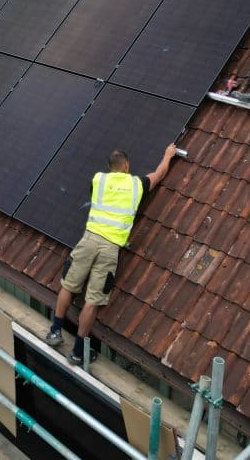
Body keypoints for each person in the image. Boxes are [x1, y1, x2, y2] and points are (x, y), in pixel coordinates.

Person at [46, 143, 179, 365]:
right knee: (93, 300)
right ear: (126, 166)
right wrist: (167, 155)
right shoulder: (137, 184)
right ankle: (78, 352)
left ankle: (55, 332)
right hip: (110, 248)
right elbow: (159, 174)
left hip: (88, 239)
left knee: (68, 285)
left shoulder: (98, 179)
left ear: (110, 167)